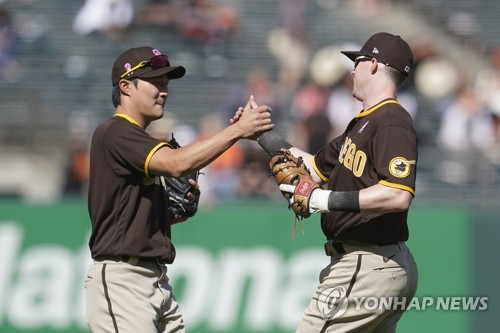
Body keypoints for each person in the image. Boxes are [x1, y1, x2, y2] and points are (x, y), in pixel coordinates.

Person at [85, 46, 273, 333]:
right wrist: (235, 131)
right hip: (124, 280)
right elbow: (177, 164)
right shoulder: (116, 132)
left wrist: (173, 211)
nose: (164, 91)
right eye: (156, 82)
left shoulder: (137, 140)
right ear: (125, 86)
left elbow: (134, 215)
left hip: (156, 281)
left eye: (166, 83)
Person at [248, 32, 419, 332]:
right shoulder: (364, 123)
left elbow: (397, 194)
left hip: (366, 262)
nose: (353, 70)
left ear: (375, 65)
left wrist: (322, 200)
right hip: (376, 261)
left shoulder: (391, 121)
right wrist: (259, 134)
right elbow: (312, 166)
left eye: (359, 61)